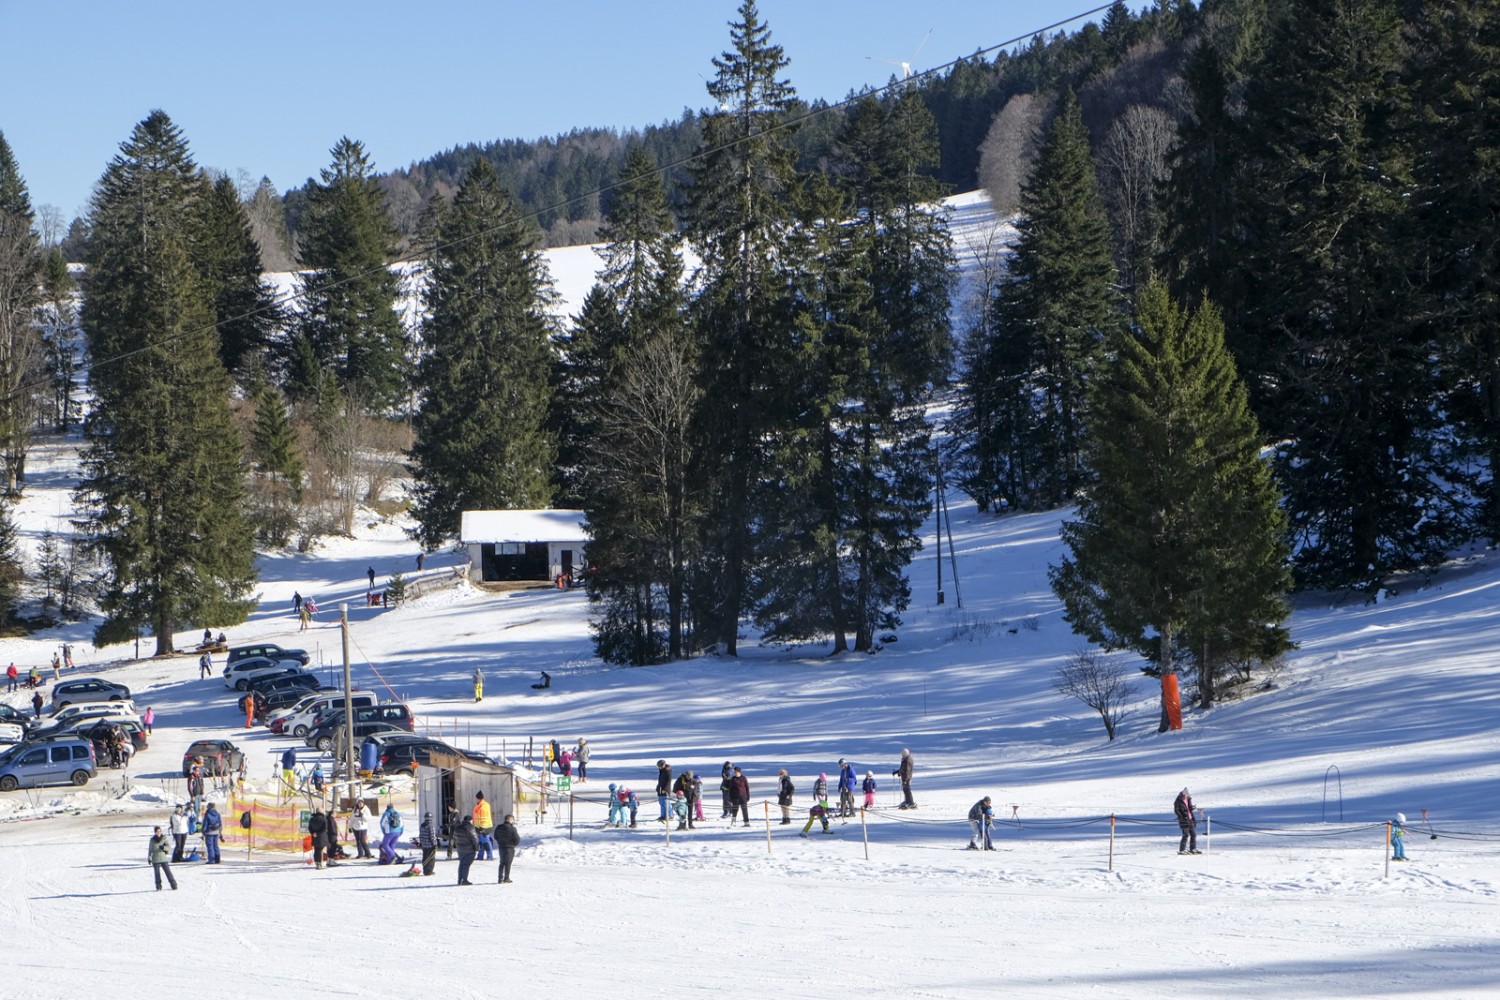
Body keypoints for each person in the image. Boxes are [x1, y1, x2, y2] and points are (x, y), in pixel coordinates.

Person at [149, 826, 179, 890]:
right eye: (157, 831)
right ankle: (158, 886)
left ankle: (174, 885)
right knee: (157, 874)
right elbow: (150, 850)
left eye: (159, 831)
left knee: (168, 872)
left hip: (163, 858)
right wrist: (149, 858)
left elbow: (169, 848)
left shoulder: (164, 838)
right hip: (155, 858)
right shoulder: (152, 840)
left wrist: (164, 848)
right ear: (155, 832)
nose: (158, 833)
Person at [453, 815, 479, 885]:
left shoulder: (457, 828)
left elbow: (454, 838)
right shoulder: (470, 828)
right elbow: (475, 839)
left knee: (461, 864)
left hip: (460, 849)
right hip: (469, 849)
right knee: (466, 865)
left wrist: (457, 846)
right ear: (470, 821)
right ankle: (464, 880)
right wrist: (477, 848)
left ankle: (459, 880)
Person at [495, 814, 519, 883]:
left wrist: (500, 842)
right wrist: (513, 844)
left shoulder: (499, 827)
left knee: (502, 862)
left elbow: (495, 836)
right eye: (512, 820)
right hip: (509, 848)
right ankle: (506, 878)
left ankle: (500, 878)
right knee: (508, 863)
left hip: (501, 847)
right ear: (510, 820)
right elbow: (517, 839)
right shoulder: (512, 829)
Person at [1175, 787, 1200, 855]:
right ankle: (1182, 850)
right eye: (1185, 795)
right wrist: (1181, 817)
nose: (1186, 796)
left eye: (1187, 795)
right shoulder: (1178, 800)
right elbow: (1176, 810)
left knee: (1193, 834)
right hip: (1184, 820)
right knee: (1186, 835)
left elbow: (1189, 807)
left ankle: (1193, 848)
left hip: (1190, 818)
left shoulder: (1188, 799)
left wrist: (1192, 807)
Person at [473, 791, 494, 859]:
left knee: (486, 842)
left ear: (479, 798)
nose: (476, 800)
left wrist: (481, 828)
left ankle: (489, 856)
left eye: (477, 798)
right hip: (480, 827)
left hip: (484, 827)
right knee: (481, 842)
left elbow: (481, 818)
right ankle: (480, 856)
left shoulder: (483, 806)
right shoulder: (480, 805)